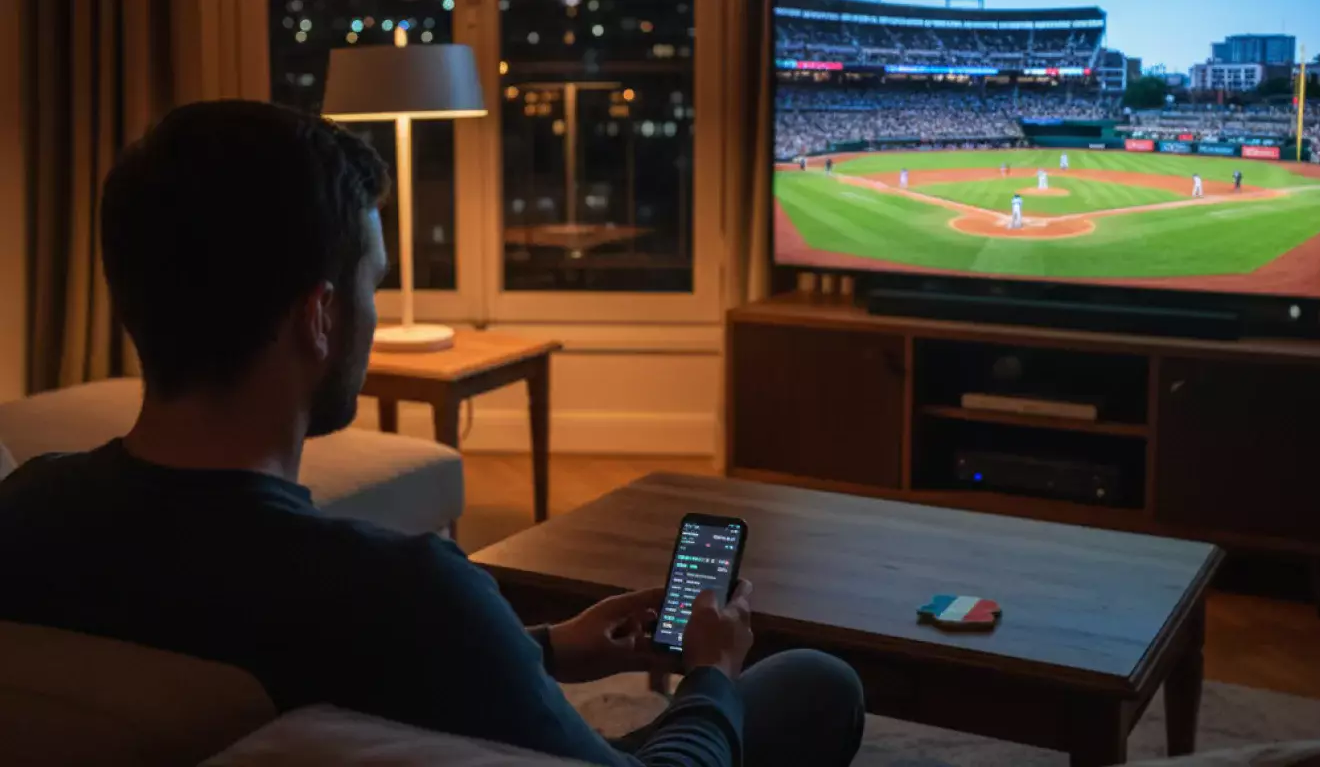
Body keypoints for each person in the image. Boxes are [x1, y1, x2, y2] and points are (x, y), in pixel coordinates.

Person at [0, 101, 865, 767]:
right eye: (373, 284)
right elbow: (380, 643)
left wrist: (545, 648)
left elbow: (325, 660)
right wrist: (711, 671)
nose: (378, 313)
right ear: (321, 316)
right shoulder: (398, 589)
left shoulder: (26, 508)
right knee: (815, 686)